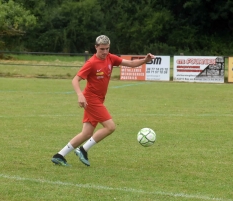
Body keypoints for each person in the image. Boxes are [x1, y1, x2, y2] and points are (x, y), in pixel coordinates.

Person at [51, 35, 155, 166]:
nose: (105, 52)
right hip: (91, 99)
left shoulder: (110, 58)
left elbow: (131, 64)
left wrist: (145, 60)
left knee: (87, 133)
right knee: (110, 127)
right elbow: (75, 79)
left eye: (107, 48)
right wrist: (80, 95)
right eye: (102, 49)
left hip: (99, 100)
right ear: (96, 47)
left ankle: (59, 155)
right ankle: (83, 149)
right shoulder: (91, 63)